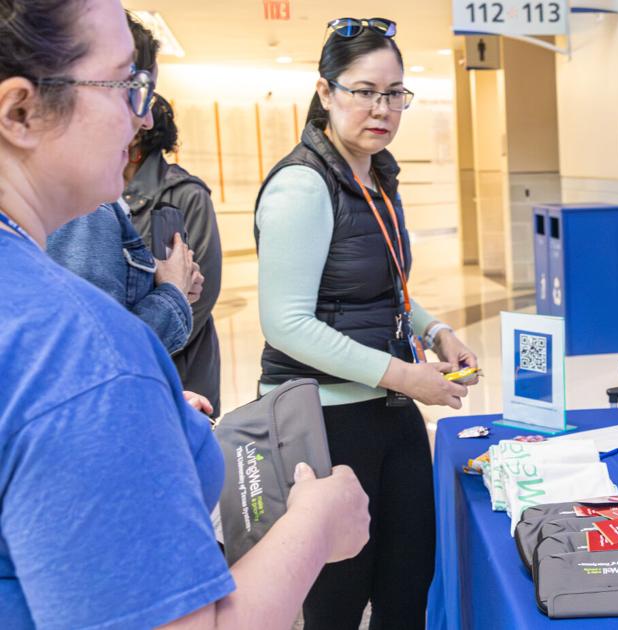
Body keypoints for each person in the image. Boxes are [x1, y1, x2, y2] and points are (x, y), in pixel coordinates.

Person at [0, 1, 370, 627]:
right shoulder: (84, 354)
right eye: (126, 85)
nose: (142, 115)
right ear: (21, 111)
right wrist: (315, 523)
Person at [254, 16, 479, 629]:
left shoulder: (377, 175)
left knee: (409, 579)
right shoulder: (303, 185)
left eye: (394, 93)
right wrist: (408, 378)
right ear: (325, 92)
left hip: (384, 407)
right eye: (363, 90)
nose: (381, 108)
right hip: (322, 419)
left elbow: (383, 288)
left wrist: (435, 332)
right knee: (337, 600)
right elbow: (287, 324)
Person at [45, 13, 202, 358]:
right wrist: (172, 292)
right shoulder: (83, 208)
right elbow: (100, 358)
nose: (145, 119)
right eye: (134, 90)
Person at [124, 95, 224, 416]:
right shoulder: (100, 195)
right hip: (132, 356)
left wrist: (154, 348)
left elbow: (203, 292)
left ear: (141, 132)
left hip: (181, 363)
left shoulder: (186, 193)